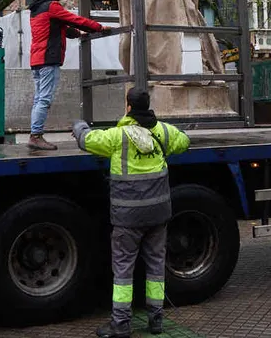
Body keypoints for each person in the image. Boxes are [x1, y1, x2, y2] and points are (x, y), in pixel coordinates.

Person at [73, 89, 190, 338]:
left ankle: (121, 323)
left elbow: (87, 141)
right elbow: (185, 141)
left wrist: (79, 126)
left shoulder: (117, 137)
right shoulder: (163, 132)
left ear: (128, 107)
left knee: (124, 270)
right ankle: (156, 319)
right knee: (156, 266)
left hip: (128, 219)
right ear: (147, 106)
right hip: (158, 215)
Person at [27, 0, 108, 150]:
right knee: (44, 99)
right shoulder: (52, 6)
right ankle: (35, 136)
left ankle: (34, 134)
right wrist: (98, 27)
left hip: (37, 60)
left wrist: (78, 34)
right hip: (49, 59)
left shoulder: (35, 10)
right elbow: (74, 19)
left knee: (38, 99)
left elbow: (61, 28)